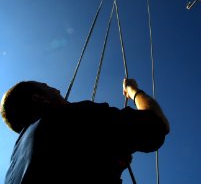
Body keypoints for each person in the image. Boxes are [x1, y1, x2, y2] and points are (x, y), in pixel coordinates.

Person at [0, 78, 169, 184]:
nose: (58, 90)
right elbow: (156, 125)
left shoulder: (14, 165)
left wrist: (109, 164)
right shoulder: (67, 117)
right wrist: (133, 91)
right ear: (39, 98)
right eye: (48, 87)